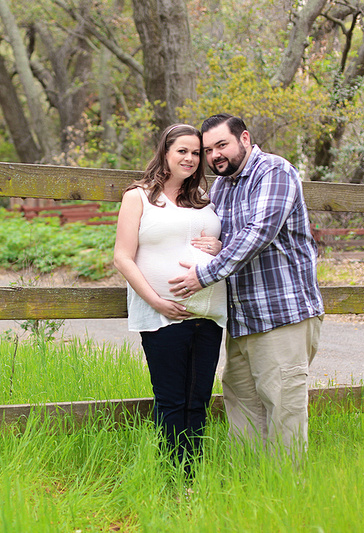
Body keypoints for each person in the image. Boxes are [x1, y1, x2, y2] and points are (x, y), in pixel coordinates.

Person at [168, 113, 325, 456]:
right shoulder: (222, 187)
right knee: (242, 407)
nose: (214, 156)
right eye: (208, 150)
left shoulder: (274, 171)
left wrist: (201, 276)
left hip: (282, 313)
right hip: (241, 320)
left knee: (284, 407)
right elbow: (226, 240)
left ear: (244, 139)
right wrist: (216, 247)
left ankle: (288, 493)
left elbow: (259, 233)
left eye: (221, 145)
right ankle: (251, 488)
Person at [113, 123, 227, 475]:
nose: (191, 158)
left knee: (199, 400)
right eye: (183, 151)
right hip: (163, 315)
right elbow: (122, 257)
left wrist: (221, 247)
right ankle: (172, 477)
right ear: (165, 152)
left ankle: (192, 474)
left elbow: (226, 246)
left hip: (207, 314)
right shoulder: (139, 197)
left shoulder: (206, 201)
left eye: (196, 153)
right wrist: (157, 302)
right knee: (171, 400)